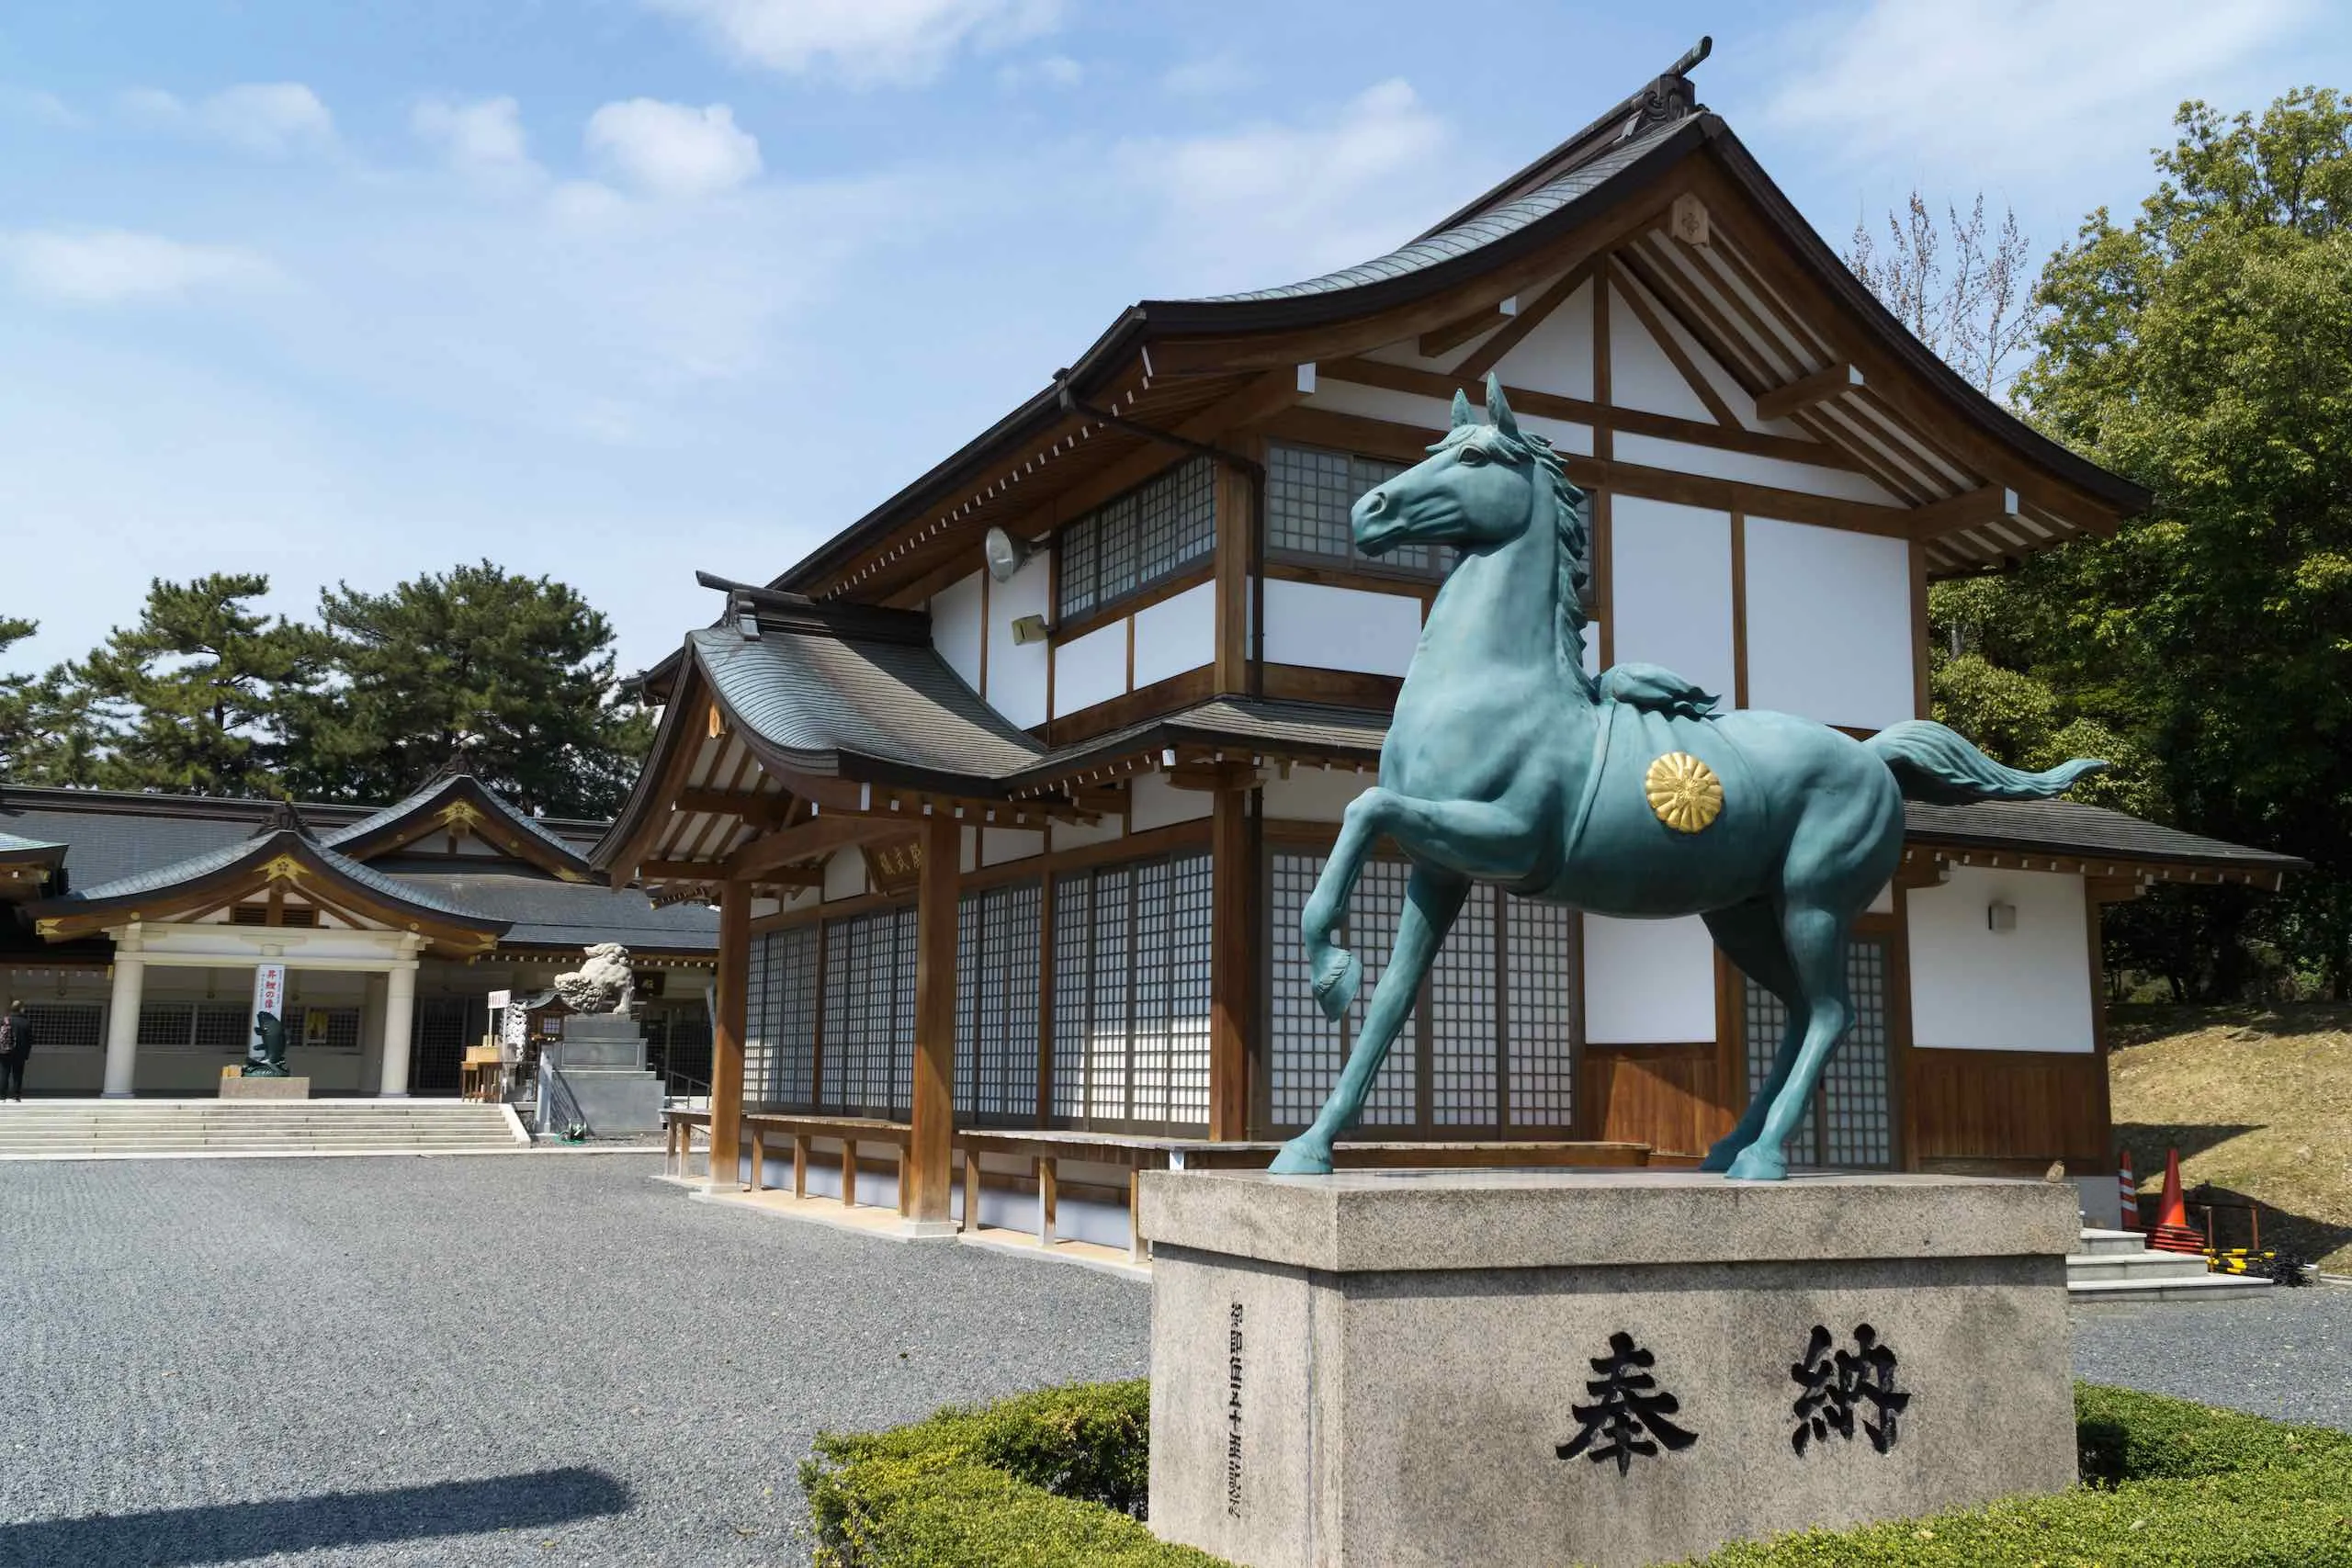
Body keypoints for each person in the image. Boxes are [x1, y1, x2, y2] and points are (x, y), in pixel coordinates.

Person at [0, 999, 30, 1102]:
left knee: (4, 1073)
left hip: (5, 1052)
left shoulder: (4, 1020)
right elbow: (30, 1040)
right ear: (21, 1009)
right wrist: (26, 1054)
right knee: (17, 1074)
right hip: (20, 1053)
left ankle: (2, 1096)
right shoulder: (25, 1022)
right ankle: (16, 1096)